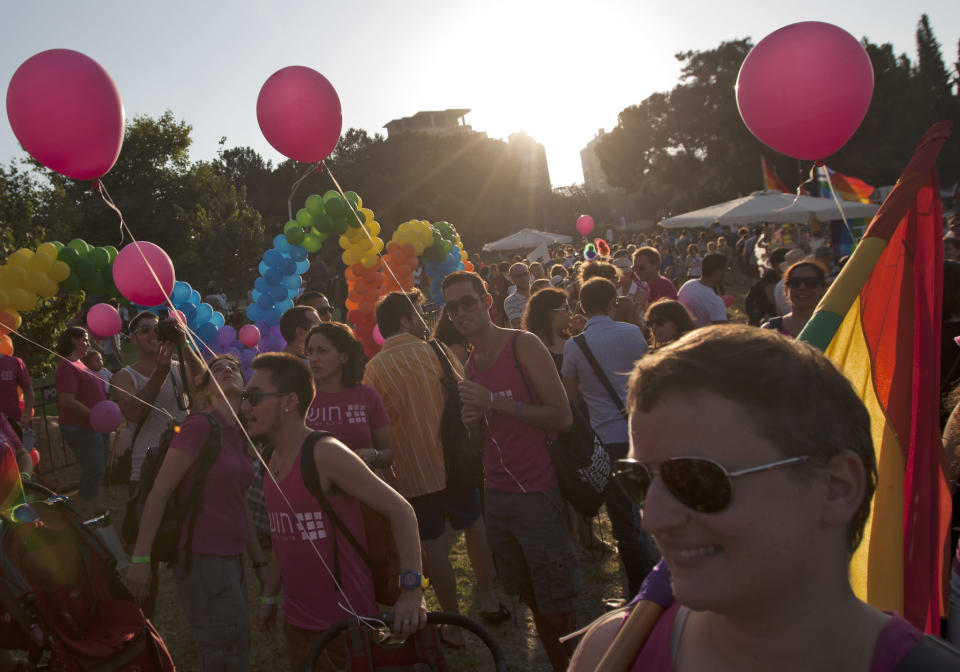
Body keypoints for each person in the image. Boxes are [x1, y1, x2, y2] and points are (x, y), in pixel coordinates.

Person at [570, 325, 960, 670]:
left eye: (697, 479)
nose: (653, 518)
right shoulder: (609, 652)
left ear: (837, 487)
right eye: (638, 479)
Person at [246, 353, 427, 672]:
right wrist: (268, 598)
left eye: (255, 397)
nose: (245, 406)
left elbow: (401, 510)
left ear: (289, 402)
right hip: (296, 624)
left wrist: (412, 590)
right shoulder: (269, 458)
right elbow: (283, 536)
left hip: (346, 626)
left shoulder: (324, 454)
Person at [442, 270, 578, 672]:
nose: (461, 312)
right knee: (530, 594)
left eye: (468, 301)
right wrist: (473, 421)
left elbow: (563, 416)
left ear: (487, 301)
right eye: (452, 307)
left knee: (558, 602)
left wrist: (494, 404)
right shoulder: (471, 361)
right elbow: (484, 439)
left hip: (538, 491)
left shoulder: (524, 345)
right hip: (497, 496)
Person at [364, 291, 505, 646]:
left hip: (410, 471)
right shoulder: (436, 351)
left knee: (435, 548)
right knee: (475, 527)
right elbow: (465, 396)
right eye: (418, 313)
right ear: (405, 320)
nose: (425, 319)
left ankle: (454, 623)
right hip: (455, 462)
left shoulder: (373, 369)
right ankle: (489, 598)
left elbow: (374, 424)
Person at [126, 354, 265, 671]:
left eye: (233, 367)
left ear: (244, 384)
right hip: (202, 558)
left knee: (237, 642)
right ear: (206, 389)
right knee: (222, 649)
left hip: (232, 558)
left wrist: (259, 562)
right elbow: (160, 493)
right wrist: (141, 559)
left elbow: (239, 502)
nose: (227, 369)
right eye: (217, 368)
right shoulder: (199, 426)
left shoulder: (239, 434)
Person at [561, 278, 654, 597]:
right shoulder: (631, 333)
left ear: (583, 307)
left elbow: (571, 398)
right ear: (613, 302)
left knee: (624, 522)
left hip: (606, 439)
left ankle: (639, 592)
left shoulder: (575, 345)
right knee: (652, 508)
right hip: (640, 432)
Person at [113, 310, 201, 617]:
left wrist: (184, 345)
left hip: (185, 468)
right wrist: (160, 373)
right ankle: (143, 625)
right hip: (146, 471)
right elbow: (133, 413)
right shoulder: (125, 375)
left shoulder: (179, 365)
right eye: (146, 329)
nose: (154, 334)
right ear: (133, 337)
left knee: (190, 543)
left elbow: (205, 392)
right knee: (146, 551)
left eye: (159, 329)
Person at [304, 322, 393, 473]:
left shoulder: (367, 396)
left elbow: (388, 455)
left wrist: (375, 455)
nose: (314, 358)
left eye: (322, 351)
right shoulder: (301, 399)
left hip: (362, 490)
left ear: (343, 357)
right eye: (310, 352)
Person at [55, 326, 108, 518]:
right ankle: (87, 511)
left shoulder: (80, 364)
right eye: (84, 339)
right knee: (93, 467)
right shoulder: (66, 366)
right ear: (74, 341)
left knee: (99, 466)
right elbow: (66, 400)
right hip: (80, 426)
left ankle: (97, 504)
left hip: (96, 424)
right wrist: (94, 414)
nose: (88, 342)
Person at [762, 260, 828, 337]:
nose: (802, 287)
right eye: (795, 282)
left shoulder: (835, 327)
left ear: (823, 289)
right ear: (786, 289)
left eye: (811, 282)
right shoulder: (770, 330)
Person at [677, 253, 728, 327]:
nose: (727, 273)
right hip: (697, 336)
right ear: (718, 272)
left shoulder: (689, 284)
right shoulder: (714, 301)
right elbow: (723, 331)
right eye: (727, 269)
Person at [0, 350, 33, 441]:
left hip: (12, 424)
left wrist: (26, 415)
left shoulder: (14, 362)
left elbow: (29, 391)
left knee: (17, 454)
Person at [503, 262, 531, 328]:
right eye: (518, 276)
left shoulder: (539, 292)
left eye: (525, 274)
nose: (523, 278)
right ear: (512, 280)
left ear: (529, 274)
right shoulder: (510, 301)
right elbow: (519, 325)